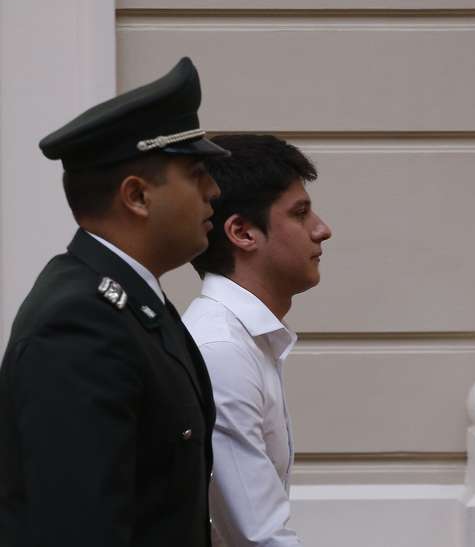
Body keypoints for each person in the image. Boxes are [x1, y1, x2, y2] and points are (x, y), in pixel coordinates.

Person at [0, 57, 230, 546]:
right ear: (137, 197)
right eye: (196, 173)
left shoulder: (132, 303)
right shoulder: (80, 322)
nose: (214, 191)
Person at [182, 134, 332, 546]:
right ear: (242, 232)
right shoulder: (221, 349)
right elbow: (257, 536)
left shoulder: (242, 339)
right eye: (300, 214)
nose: (322, 230)